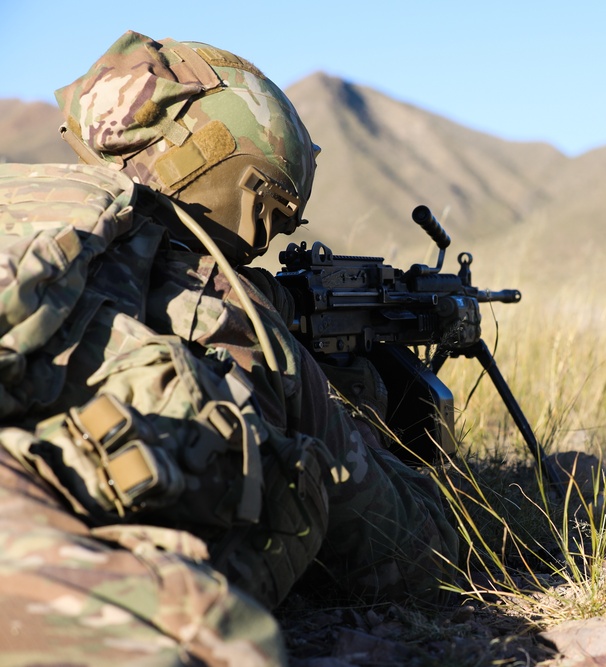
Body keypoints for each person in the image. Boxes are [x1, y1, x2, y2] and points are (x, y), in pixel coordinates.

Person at [0, 30, 458, 666]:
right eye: (270, 213)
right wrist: (374, 427)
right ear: (228, 181)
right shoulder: (219, 303)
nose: (265, 243)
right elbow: (412, 552)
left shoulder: (24, 209)